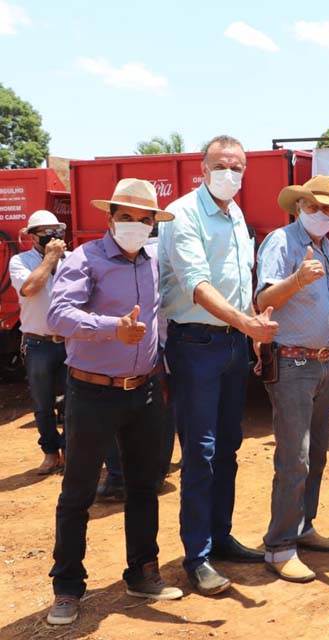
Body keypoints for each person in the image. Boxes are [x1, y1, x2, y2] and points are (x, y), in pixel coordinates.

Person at [44, 179, 182, 625]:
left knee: (145, 486)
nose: (136, 226)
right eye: (127, 217)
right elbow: (58, 315)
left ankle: (142, 571)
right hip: (91, 391)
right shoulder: (85, 259)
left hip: (142, 391)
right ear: (110, 219)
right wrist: (111, 327)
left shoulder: (152, 263)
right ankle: (67, 587)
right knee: (78, 493)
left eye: (145, 220)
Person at [158, 135, 278, 596]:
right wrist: (247, 324)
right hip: (196, 345)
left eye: (238, 167)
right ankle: (198, 555)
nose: (230, 173)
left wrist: (251, 332)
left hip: (230, 346)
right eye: (221, 165)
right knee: (200, 452)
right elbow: (197, 286)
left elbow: (239, 281)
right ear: (203, 169)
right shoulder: (186, 214)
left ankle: (221, 537)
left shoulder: (237, 215)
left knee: (228, 444)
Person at [255, 176, 329, 582]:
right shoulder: (281, 242)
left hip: (326, 363)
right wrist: (296, 279)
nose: (323, 215)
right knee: (294, 457)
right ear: (298, 207)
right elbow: (262, 300)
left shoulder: (328, 247)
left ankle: (303, 526)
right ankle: (279, 547)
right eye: (315, 207)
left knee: (315, 456)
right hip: (293, 363)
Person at [9, 210, 69, 474]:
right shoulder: (20, 261)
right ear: (33, 237)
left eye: (57, 231)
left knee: (73, 402)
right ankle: (50, 453)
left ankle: (69, 452)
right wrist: (50, 258)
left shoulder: (73, 260)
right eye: (46, 232)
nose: (54, 237)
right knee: (43, 404)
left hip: (70, 342)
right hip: (38, 344)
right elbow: (30, 289)